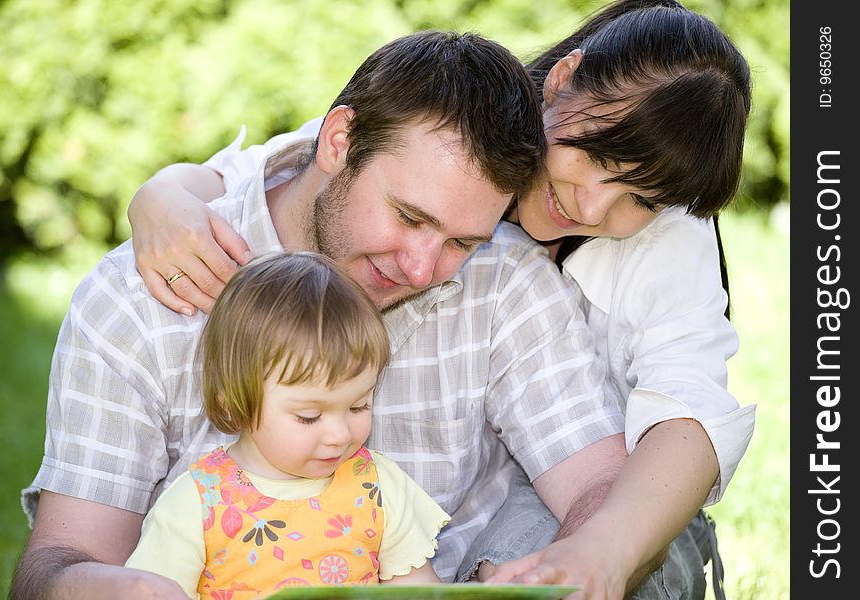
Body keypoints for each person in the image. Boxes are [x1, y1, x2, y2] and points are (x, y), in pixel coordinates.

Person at [126, 1, 757, 598]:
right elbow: (290, 166)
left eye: (639, 199)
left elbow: (690, 409)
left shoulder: (671, 240)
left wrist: (605, 548)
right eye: (595, 156)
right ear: (563, 79)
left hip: (594, 493)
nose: (591, 206)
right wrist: (162, 194)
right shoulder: (463, 132)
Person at [11, 30, 627, 600]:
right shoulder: (141, 299)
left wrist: (563, 563)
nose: (421, 267)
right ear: (339, 142)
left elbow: (600, 489)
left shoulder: (507, 283)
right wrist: (115, 589)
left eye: (462, 242)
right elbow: (60, 563)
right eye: (411, 218)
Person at [124, 252, 449, 598]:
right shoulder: (196, 504)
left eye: (358, 406)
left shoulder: (377, 487)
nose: (340, 435)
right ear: (233, 402)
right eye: (309, 416)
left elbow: (416, 591)